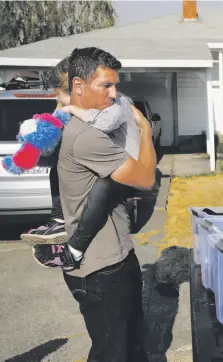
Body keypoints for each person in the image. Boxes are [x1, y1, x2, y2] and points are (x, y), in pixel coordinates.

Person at [53, 47, 156, 362]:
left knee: (132, 346)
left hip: (118, 255)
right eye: (105, 86)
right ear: (79, 86)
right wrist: (147, 131)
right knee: (112, 353)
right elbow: (146, 178)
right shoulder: (86, 137)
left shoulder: (97, 125)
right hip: (99, 269)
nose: (114, 94)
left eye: (116, 86)